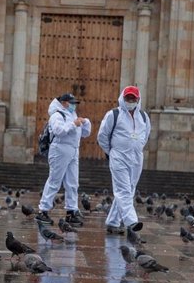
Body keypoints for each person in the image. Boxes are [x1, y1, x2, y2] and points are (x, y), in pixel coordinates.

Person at [97, 86, 151, 234]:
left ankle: (113, 222)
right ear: (123, 98)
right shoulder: (114, 115)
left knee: (130, 189)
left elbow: (145, 136)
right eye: (128, 98)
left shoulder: (144, 117)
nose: (131, 101)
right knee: (123, 190)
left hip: (136, 158)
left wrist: (135, 147)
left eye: (133, 98)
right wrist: (112, 152)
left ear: (138, 99)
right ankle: (131, 221)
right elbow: (102, 136)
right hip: (119, 156)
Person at [36, 93, 91, 226]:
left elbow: (85, 133)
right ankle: (43, 210)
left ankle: (71, 211)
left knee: (72, 182)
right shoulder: (57, 115)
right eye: (71, 103)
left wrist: (85, 122)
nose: (73, 105)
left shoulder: (73, 115)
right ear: (64, 103)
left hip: (73, 150)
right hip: (60, 149)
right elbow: (58, 131)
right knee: (55, 180)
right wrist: (73, 124)